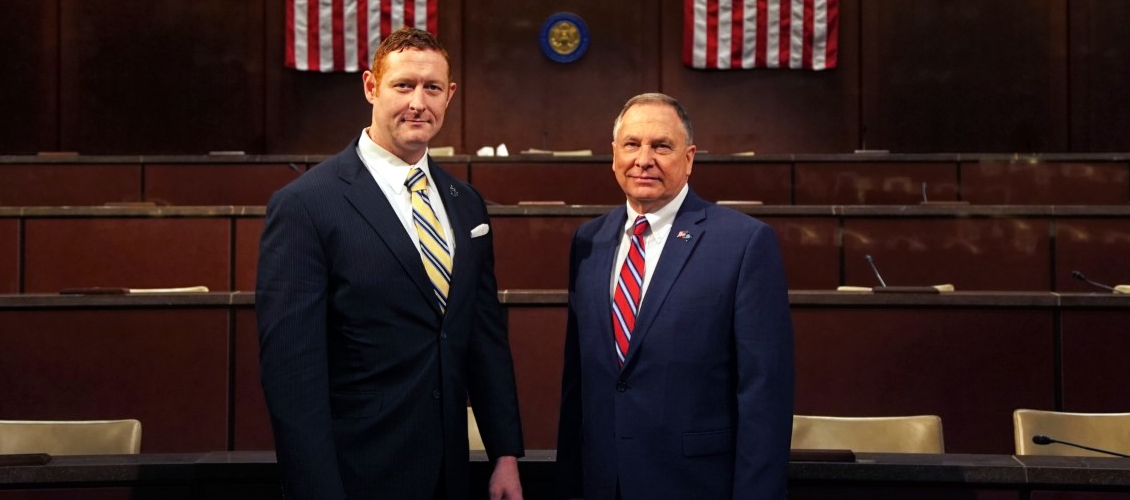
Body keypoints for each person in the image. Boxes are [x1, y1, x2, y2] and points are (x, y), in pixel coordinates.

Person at [257, 27, 525, 500]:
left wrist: (504, 453)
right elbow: (292, 374)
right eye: (404, 86)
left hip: (451, 474)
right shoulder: (305, 205)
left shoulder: (466, 205)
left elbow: (484, 337)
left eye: (432, 88)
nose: (418, 102)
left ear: (450, 96)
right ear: (370, 87)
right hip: (357, 472)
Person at [555, 93, 795, 500]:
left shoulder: (743, 243)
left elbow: (765, 395)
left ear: (689, 158)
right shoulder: (588, 241)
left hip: (694, 485)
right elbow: (578, 383)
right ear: (614, 155)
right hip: (601, 483)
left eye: (661, 146)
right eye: (632, 144)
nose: (644, 159)